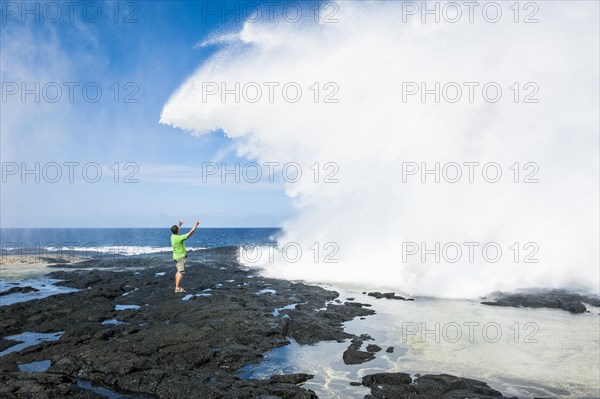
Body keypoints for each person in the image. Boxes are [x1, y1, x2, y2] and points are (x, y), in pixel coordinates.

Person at [170, 219, 199, 293]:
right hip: (180, 257)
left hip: (175, 257)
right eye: (178, 228)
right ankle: (177, 288)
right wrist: (196, 225)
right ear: (177, 231)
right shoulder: (179, 238)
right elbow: (190, 233)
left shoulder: (173, 236)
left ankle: (177, 287)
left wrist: (179, 224)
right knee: (181, 273)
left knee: (178, 272)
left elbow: (177, 230)